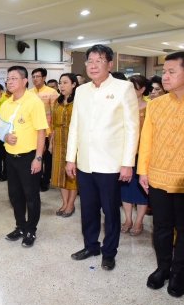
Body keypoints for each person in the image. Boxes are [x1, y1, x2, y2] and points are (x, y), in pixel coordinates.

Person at [66, 44, 139, 271]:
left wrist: (127, 163)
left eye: (99, 60)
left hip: (111, 163)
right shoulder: (81, 90)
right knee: (88, 209)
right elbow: (75, 126)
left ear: (109, 64)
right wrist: (71, 158)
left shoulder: (123, 88)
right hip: (85, 163)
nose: (93, 65)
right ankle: (91, 246)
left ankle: (109, 252)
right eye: (90, 61)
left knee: (110, 211)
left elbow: (132, 129)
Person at [138, 51, 184, 298]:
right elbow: (146, 142)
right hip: (157, 177)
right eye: (164, 72)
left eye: (171, 72)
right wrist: (142, 171)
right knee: (162, 227)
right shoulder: (155, 105)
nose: (165, 77)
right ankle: (163, 267)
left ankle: (179, 272)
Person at [1, 65, 48, 247]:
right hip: (11, 156)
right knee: (14, 195)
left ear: (24, 81)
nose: (9, 82)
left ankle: (31, 230)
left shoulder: (33, 101)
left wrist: (38, 158)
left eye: (13, 78)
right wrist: (5, 137)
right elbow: (2, 131)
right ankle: (20, 226)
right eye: (8, 78)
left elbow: (41, 131)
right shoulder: (6, 104)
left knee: (31, 196)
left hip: (29, 157)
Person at [120, 75, 150, 236]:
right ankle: (128, 219)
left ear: (142, 89)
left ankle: (139, 221)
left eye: (134, 87)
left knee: (141, 189)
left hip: (143, 155)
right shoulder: (123, 106)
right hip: (125, 154)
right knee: (125, 188)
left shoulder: (150, 106)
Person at [49, 73, 79, 218]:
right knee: (60, 174)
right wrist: (51, 142)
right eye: (61, 82)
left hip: (73, 141)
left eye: (65, 82)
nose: (62, 85)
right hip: (59, 139)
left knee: (71, 175)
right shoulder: (57, 102)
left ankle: (71, 204)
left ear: (74, 84)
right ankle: (64, 202)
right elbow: (53, 124)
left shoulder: (79, 101)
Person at [30, 68, 59, 192]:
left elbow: (55, 114)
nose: (35, 79)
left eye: (38, 76)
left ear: (44, 78)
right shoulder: (29, 93)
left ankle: (45, 181)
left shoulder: (52, 93)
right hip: (32, 132)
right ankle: (36, 178)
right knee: (35, 157)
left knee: (46, 159)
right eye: (33, 76)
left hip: (47, 132)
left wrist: (52, 132)